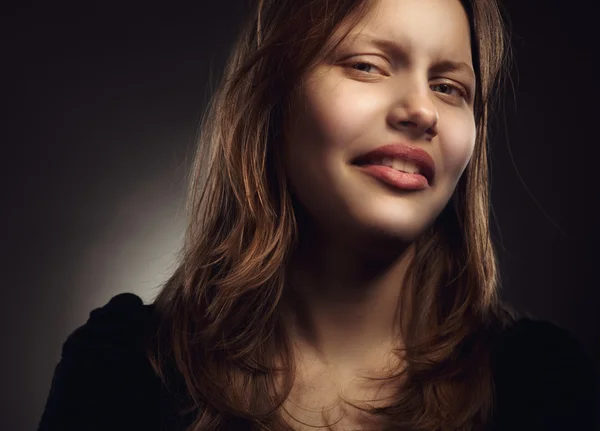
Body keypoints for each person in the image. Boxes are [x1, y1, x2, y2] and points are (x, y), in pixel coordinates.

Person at [38, 0, 598, 430]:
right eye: (367, 65)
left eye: (450, 87)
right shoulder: (121, 375)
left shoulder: (541, 385)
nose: (422, 110)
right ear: (272, 100)